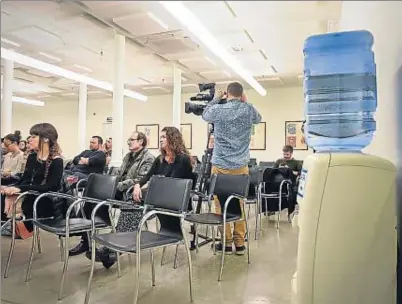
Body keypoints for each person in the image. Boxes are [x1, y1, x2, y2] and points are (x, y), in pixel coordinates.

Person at [202, 82, 261, 255]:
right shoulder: (248, 109)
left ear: (227, 94)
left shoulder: (219, 110)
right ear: (242, 94)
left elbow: (205, 115)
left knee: (220, 206)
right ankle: (240, 244)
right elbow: (258, 118)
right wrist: (246, 102)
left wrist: (216, 99)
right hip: (240, 167)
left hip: (220, 166)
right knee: (239, 205)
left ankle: (226, 244)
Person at [85, 131, 155, 266]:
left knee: (130, 206)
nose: (129, 142)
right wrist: (109, 181)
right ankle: (90, 232)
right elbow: (120, 174)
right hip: (121, 189)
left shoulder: (148, 158)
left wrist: (118, 185)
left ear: (141, 141)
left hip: (133, 192)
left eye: (132, 139)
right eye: (128, 139)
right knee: (93, 194)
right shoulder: (128, 156)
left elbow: (141, 180)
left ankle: (110, 251)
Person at [0, 123, 64, 237]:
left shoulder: (56, 161)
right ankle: (13, 225)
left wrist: (19, 189)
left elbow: (49, 187)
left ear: (45, 139)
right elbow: (25, 179)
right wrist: (10, 189)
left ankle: (18, 226)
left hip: (44, 200)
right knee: (4, 194)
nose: (29, 140)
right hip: (30, 195)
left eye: (34, 136)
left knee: (12, 199)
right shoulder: (32, 157)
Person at [132, 126, 194, 203]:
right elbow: (148, 176)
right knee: (136, 195)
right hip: (162, 194)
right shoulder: (160, 159)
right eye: (160, 137)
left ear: (172, 139)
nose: (160, 140)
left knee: (142, 196)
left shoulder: (183, 159)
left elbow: (172, 182)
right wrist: (138, 185)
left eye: (163, 137)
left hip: (177, 198)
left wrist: (150, 185)